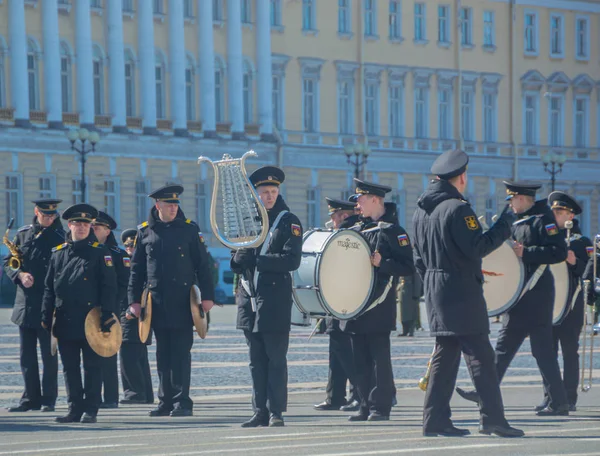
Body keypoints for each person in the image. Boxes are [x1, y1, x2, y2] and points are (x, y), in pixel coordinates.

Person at [413, 149, 523, 437]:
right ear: (460, 178)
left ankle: (434, 420)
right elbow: (478, 247)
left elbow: (418, 259)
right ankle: (492, 420)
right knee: (480, 358)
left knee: (445, 354)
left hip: (436, 289)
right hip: (461, 291)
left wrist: (434, 282)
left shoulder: (421, 210)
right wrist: (504, 223)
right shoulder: (457, 209)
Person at [456, 181, 569, 417]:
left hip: (537, 294)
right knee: (503, 348)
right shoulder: (515, 221)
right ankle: (484, 392)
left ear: (523, 198)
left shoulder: (543, 220)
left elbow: (558, 252)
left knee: (543, 352)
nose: (510, 204)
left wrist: (527, 253)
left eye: (512, 199)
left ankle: (558, 401)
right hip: (518, 296)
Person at [127, 184, 215, 417]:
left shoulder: (189, 230)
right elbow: (136, 271)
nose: (174, 208)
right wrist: (134, 301)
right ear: (158, 206)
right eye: (169, 204)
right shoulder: (145, 232)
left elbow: (203, 265)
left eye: (176, 204)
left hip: (184, 302)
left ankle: (182, 401)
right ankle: (165, 401)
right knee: (162, 354)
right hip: (155, 302)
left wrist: (207, 297)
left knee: (181, 353)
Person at [231, 166, 303, 427]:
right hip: (248, 297)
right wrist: (239, 258)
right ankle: (259, 410)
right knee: (255, 360)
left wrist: (259, 260)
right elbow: (235, 260)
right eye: (264, 192)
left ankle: (276, 411)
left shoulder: (288, 221)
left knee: (275, 358)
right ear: (256, 194)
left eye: (273, 192)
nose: (269, 196)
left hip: (274, 299)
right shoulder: (248, 221)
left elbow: (291, 260)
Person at [343, 178, 414, 422]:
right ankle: (364, 404)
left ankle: (380, 407)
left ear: (375, 200)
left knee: (379, 360)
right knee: (359, 360)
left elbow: (407, 267)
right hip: (356, 304)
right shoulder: (357, 231)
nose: (358, 205)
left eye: (361, 200)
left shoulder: (394, 232)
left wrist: (382, 263)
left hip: (379, 307)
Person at [41, 203, 118, 423]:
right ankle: (74, 408)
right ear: (70, 225)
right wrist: (46, 315)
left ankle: (91, 409)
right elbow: (49, 287)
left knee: (92, 366)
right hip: (65, 318)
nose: (82, 228)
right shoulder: (59, 254)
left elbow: (109, 287)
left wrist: (107, 314)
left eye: (86, 224)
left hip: (91, 319)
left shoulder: (100, 253)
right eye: (77, 223)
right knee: (69, 368)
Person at [4, 199, 64, 413]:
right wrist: (19, 274)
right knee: (26, 356)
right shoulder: (23, 234)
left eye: (52, 216)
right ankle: (29, 398)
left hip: (47, 304)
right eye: (45, 215)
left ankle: (49, 399)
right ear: (36, 212)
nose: (49, 219)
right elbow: (8, 262)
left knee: (49, 355)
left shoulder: (60, 237)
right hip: (25, 304)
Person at [534, 192, 592, 412]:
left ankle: (569, 396)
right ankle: (550, 395)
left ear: (570, 215)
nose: (555, 215)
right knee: (546, 352)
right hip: (547, 302)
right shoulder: (548, 238)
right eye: (554, 211)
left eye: (559, 211)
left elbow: (589, 273)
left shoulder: (581, 242)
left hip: (571, 303)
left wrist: (575, 261)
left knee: (569, 351)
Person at [314, 198, 360, 412]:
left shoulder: (349, 235)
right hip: (337, 296)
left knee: (344, 347)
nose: (331, 220)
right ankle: (335, 395)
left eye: (334, 216)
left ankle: (361, 391)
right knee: (336, 346)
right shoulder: (342, 233)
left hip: (346, 298)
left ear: (343, 216)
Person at [92, 211, 129, 409]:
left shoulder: (118, 255)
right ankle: (93, 395)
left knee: (108, 353)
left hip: (110, 309)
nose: (92, 230)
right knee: (90, 356)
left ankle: (111, 397)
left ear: (107, 231)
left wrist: (112, 303)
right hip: (88, 309)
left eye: (97, 228)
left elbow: (124, 283)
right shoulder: (87, 250)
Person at [118, 228, 154, 405]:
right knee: (139, 354)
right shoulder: (127, 262)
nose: (130, 250)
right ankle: (145, 393)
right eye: (128, 247)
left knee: (128, 352)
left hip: (134, 313)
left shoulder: (140, 266)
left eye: (133, 247)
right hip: (129, 312)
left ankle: (134, 393)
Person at [396, 269, 423, 337]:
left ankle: (411, 331)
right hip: (402, 293)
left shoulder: (412, 268)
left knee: (411, 314)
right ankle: (405, 330)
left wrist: (416, 294)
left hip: (410, 293)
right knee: (403, 315)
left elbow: (417, 281)